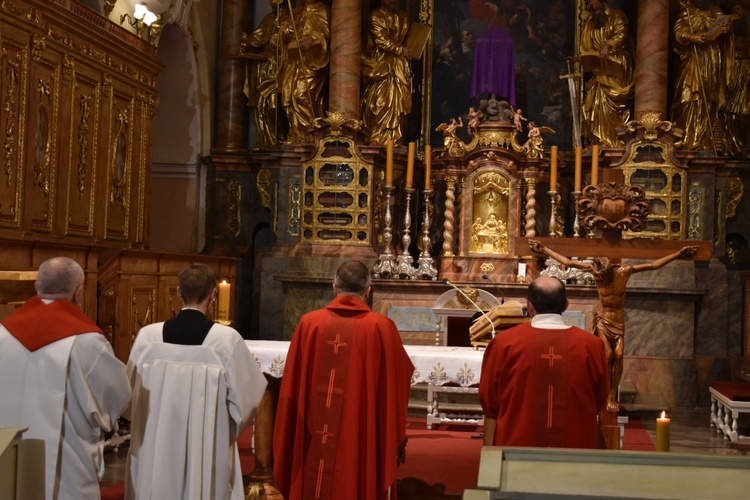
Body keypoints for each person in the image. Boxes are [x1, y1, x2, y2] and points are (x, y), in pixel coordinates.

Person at [274, 260, 414, 500]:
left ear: (334, 287)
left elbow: (292, 386)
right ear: (368, 290)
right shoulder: (381, 328)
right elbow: (398, 380)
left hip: (311, 437)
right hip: (359, 436)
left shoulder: (310, 324)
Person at [125, 264, 267, 500]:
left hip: (156, 443)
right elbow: (248, 400)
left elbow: (130, 394)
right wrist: (223, 427)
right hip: (206, 445)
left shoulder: (147, 337)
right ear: (213, 294)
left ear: (179, 292)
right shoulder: (225, 340)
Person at [0, 257, 131, 499]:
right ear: (79, 293)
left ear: (37, 287)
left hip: (7, 461)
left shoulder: (3, 334)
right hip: (67, 470)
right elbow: (117, 397)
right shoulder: (88, 341)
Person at [528, 239, 698, 413]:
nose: (600, 278)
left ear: (611, 270)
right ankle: (605, 395)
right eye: (598, 276)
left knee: (619, 354)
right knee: (607, 355)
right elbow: (568, 262)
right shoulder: (596, 272)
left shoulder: (624, 271)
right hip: (603, 319)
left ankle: (612, 394)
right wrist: (544, 249)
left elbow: (653, 265)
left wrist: (678, 254)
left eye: (604, 275)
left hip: (617, 320)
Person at [479, 276, 609, 448]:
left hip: (517, 448)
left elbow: (489, 399)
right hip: (576, 449)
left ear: (529, 306)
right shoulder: (592, 345)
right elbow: (600, 398)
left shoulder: (504, 343)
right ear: (565, 305)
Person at [672, 0, 733, 152]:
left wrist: (725, 31)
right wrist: (692, 37)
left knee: (709, 98)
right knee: (688, 96)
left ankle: (705, 139)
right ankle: (687, 137)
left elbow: (725, 34)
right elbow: (678, 31)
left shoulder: (716, 11)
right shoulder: (687, 11)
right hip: (693, 57)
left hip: (711, 58)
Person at [578, 0, 634, 148]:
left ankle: (614, 141)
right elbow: (587, 45)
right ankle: (599, 140)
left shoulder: (618, 16)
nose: (592, 6)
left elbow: (622, 34)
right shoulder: (591, 21)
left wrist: (608, 46)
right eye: (590, 4)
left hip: (616, 63)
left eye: (595, 3)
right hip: (599, 67)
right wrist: (579, 59)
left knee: (611, 104)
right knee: (594, 100)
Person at [361, 0, 414, 146]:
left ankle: (395, 138)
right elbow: (381, 40)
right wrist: (400, 50)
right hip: (382, 65)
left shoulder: (402, 16)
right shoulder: (375, 16)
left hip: (399, 65)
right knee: (382, 100)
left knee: (400, 99)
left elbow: (409, 37)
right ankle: (377, 136)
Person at [278, 0, 330, 144]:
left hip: (311, 62)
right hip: (294, 61)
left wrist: (313, 38)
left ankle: (311, 134)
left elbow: (326, 32)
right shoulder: (297, 11)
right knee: (288, 98)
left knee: (302, 95)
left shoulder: (322, 10)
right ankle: (296, 134)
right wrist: (290, 27)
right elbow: (284, 34)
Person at [242, 0, 288, 149]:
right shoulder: (269, 18)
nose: (272, 4)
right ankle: (267, 140)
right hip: (264, 66)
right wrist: (246, 43)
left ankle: (281, 136)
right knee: (262, 103)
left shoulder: (291, 18)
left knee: (274, 104)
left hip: (281, 68)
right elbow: (258, 37)